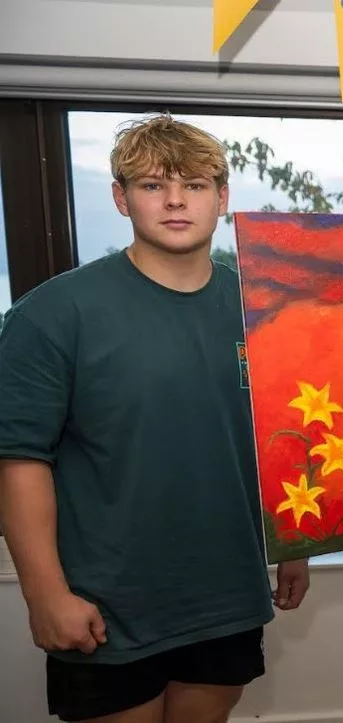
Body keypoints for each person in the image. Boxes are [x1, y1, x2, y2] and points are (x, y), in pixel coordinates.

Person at [0, 113, 310, 723]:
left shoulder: (259, 311)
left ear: (222, 197)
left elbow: (278, 435)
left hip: (228, 593)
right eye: (151, 185)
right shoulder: (53, 315)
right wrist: (45, 595)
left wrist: (296, 543)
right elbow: (18, 461)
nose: (175, 200)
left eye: (194, 185)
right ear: (121, 198)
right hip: (107, 602)